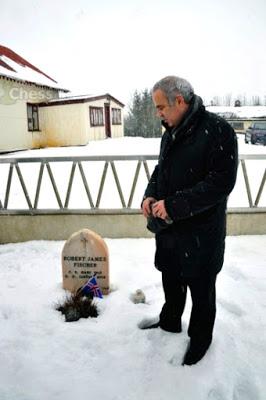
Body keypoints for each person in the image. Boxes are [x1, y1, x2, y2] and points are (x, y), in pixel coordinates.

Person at [140, 76, 238, 366]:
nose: (158, 113)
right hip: (170, 229)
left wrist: (173, 206)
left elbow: (221, 183)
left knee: (201, 289)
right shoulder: (169, 131)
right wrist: (150, 195)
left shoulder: (218, 131)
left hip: (201, 233)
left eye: (160, 107)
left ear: (179, 102)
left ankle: (200, 338)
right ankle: (170, 321)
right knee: (170, 277)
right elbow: (162, 170)